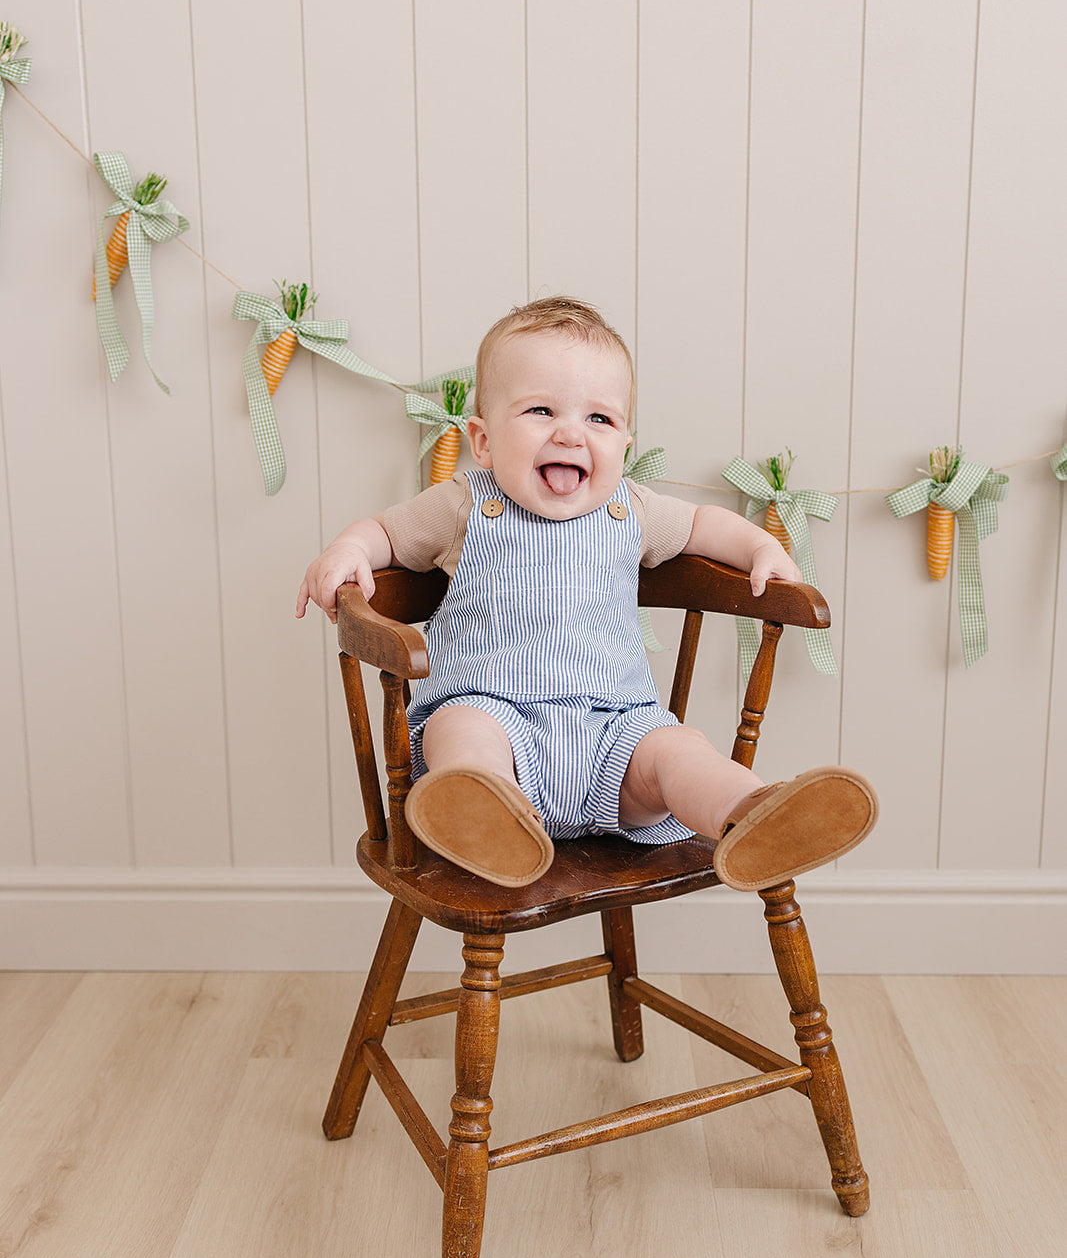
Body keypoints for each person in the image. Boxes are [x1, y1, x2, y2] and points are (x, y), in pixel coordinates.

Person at [297, 297, 877, 889]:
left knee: (678, 751)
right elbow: (386, 533)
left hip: (615, 736)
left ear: (625, 444)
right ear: (484, 441)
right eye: (541, 410)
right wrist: (349, 549)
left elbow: (705, 524)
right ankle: (482, 816)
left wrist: (759, 548)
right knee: (461, 732)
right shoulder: (466, 506)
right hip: (497, 722)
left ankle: (756, 814)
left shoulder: (633, 507)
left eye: (599, 419)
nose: (571, 433)